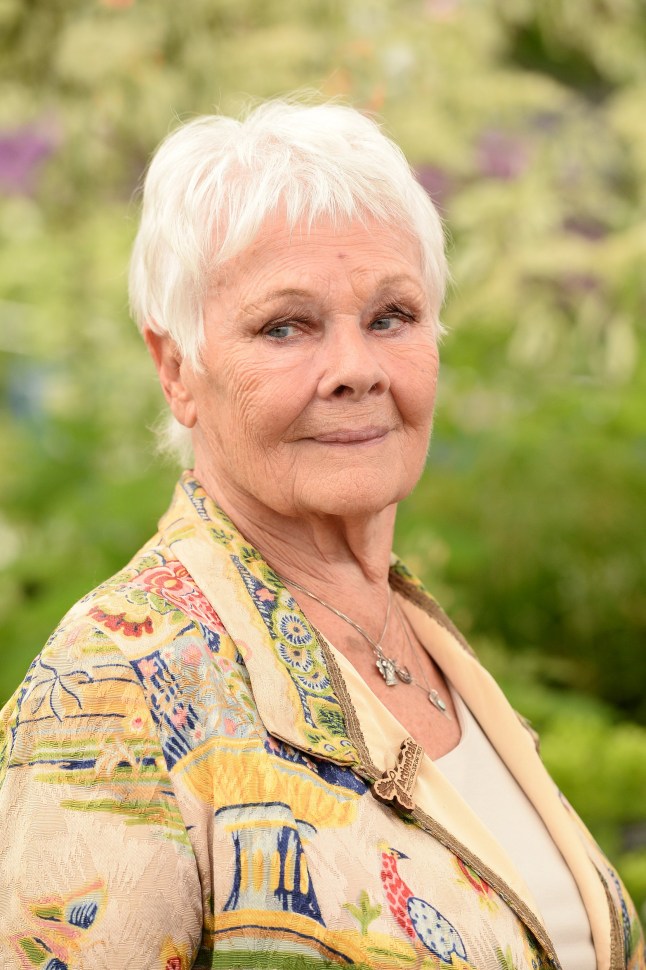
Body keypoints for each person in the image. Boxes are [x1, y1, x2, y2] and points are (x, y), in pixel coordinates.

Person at [0, 100, 642, 970]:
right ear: (176, 370)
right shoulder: (118, 687)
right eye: (285, 327)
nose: (356, 370)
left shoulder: (425, 648)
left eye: (391, 317)